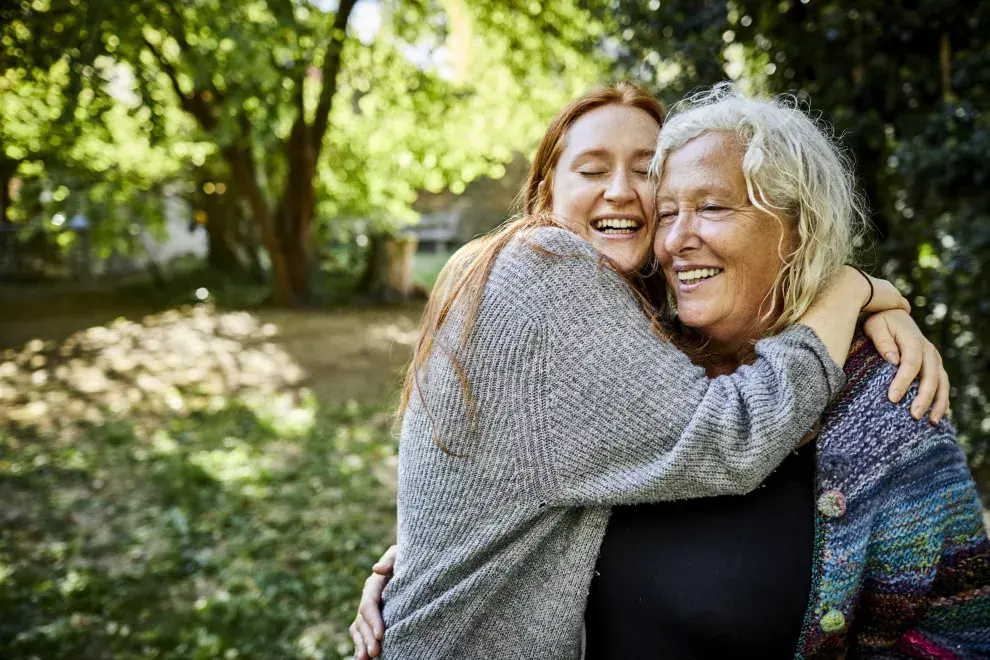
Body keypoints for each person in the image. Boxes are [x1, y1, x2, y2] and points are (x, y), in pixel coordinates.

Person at [350, 82, 953, 659]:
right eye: (591, 170)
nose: (621, 191)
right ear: (545, 197)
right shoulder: (544, 266)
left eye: (646, 172)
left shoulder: (652, 344)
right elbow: (730, 436)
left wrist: (432, 552)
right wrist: (850, 289)